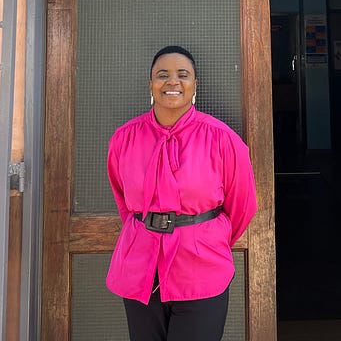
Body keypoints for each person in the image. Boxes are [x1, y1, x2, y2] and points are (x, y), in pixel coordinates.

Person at [106, 45, 257, 341]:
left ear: (194, 85)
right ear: (150, 84)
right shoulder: (124, 138)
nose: (172, 82)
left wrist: (204, 238)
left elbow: (242, 206)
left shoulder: (223, 139)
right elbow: (124, 201)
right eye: (162, 75)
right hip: (140, 268)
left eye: (182, 75)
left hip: (202, 268)